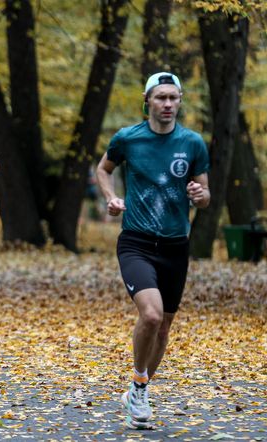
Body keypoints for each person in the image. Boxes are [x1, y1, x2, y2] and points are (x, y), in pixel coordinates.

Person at [96, 72, 210, 428]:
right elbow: (104, 169)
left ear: (180, 101)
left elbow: (205, 195)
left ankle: (138, 387)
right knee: (151, 315)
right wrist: (111, 198)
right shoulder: (128, 138)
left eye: (173, 98)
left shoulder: (192, 143)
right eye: (161, 97)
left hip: (176, 245)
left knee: (163, 329)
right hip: (137, 242)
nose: (167, 104)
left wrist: (199, 196)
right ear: (147, 100)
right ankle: (141, 386)